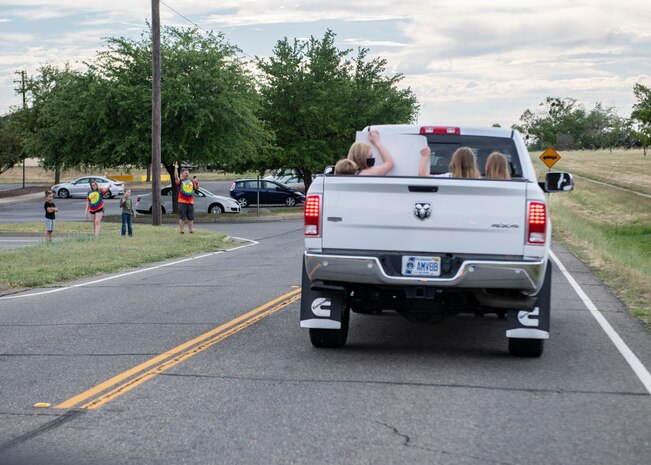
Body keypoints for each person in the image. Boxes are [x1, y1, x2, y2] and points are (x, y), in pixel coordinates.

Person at [174, 161, 198, 234]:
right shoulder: (180, 181)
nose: (187, 174)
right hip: (182, 202)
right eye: (185, 173)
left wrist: (196, 182)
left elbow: (196, 188)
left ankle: (191, 230)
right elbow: (175, 177)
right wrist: (175, 169)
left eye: (187, 173)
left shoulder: (191, 181)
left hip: (190, 202)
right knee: (182, 217)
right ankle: (182, 230)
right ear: (182, 174)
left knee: (191, 217)